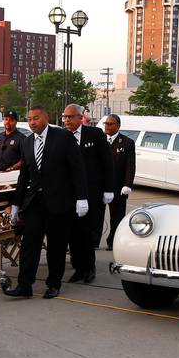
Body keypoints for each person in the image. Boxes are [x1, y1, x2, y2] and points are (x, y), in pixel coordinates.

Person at [4, 106, 87, 299]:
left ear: (46, 118)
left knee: (56, 246)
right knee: (29, 245)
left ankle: (53, 284)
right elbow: (24, 175)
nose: (32, 122)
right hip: (34, 202)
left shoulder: (63, 138)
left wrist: (82, 198)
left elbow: (78, 169)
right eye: (29, 119)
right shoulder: (26, 142)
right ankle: (25, 285)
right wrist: (17, 203)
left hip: (59, 202)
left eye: (36, 118)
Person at [63, 103, 114, 283]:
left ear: (80, 117)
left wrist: (109, 188)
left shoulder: (95, 134)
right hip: (70, 193)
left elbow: (107, 162)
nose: (67, 120)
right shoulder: (62, 136)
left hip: (92, 191)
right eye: (65, 117)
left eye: (70, 117)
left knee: (87, 231)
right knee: (73, 233)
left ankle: (89, 267)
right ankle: (78, 267)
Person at [104, 114, 136, 251]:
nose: (107, 126)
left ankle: (113, 241)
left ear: (118, 126)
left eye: (110, 124)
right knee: (96, 217)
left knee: (117, 217)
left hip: (118, 186)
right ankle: (93, 241)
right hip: (101, 185)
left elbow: (130, 165)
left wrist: (127, 184)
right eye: (106, 124)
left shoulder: (127, 142)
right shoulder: (100, 140)